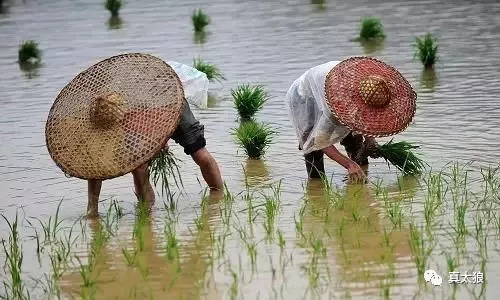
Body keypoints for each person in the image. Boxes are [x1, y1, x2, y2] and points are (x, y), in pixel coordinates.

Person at [45, 53, 223, 217]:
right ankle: (148, 212)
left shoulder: (139, 95)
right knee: (139, 167)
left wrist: (162, 141)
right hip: (139, 112)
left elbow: (159, 119)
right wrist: (92, 211)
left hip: (170, 100)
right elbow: (95, 167)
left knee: (200, 154)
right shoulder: (99, 114)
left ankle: (219, 199)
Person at [285, 57, 417, 182]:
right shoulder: (333, 107)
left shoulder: (368, 86)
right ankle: (316, 185)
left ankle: (357, 182)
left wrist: (370, 141)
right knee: (314, 150)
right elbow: (320, 141)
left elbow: (365, 118)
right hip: (304, 97)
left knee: (356, 145)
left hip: (331, 82)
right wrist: (348, 164)